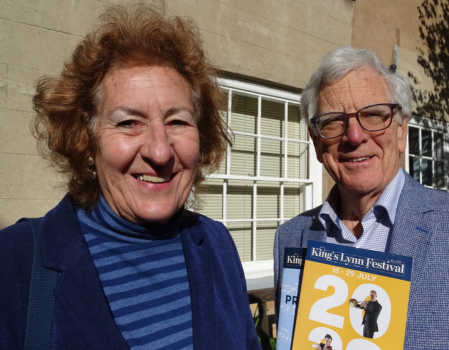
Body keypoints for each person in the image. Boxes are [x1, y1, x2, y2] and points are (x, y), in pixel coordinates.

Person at [0, 4, 261, 349]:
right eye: (129, 122)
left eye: (177, 121)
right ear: (86, 142)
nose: (160, 152)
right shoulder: (13, 260)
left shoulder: (216, 244)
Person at [274, 46, 449, 349]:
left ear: (402, 130)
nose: (354, 136)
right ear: (316, 143)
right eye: (332, 121)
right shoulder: (289, 237)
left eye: (374, 115)